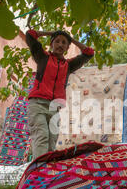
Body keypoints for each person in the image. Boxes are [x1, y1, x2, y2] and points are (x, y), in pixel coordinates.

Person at [25, 29, 94, 159]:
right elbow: (30, 34)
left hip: (55, 108)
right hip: (38, 104)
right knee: (41, 136)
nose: (60, 44)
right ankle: (38, 172)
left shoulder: (68, 65)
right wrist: (52, 33)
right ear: (51, 44)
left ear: (67, 48)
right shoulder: (42, 56)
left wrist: (71, 39)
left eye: (64, 43)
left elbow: (89, 53)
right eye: (57, 41)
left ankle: (46, 174)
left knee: (51, 144)